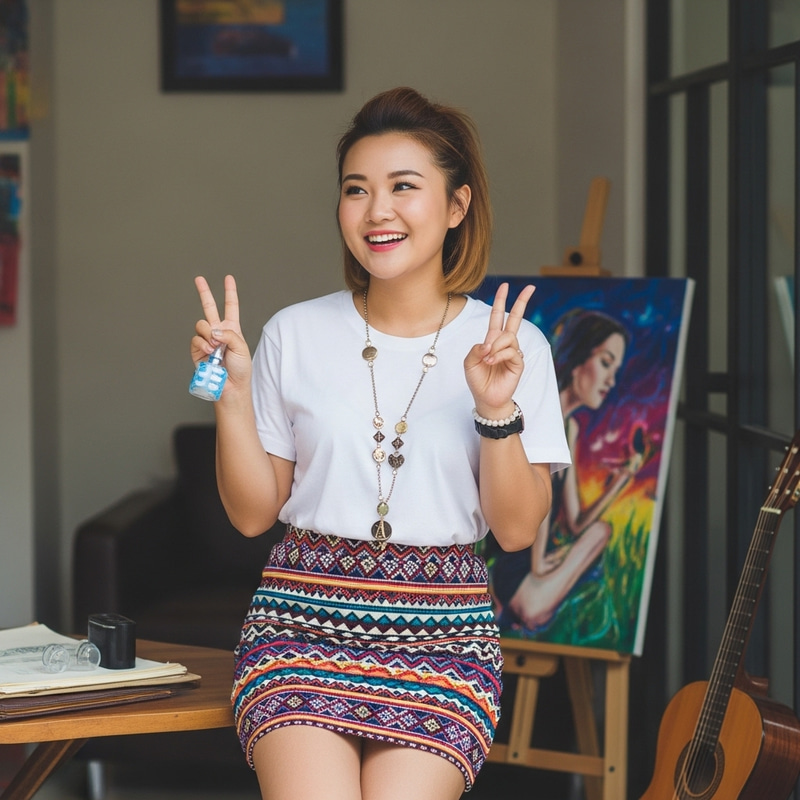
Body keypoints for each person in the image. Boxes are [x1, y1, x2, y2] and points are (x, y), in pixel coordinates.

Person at [190, 87, 570, 800]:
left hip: (445, 639)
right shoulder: (293, 334)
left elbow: (518, 531)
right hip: (300, 624)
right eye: (356, 190)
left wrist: (496, 410)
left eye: (404, 187)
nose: (377, 211)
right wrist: (231, 394)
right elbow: (250, 515)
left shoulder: (516, 348)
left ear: (456, 207)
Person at [493, 308, 649, 646]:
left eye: (616, 370)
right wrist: (550, 562)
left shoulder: (570, 427)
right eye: (606, 363)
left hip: (537, 573)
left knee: (600, 530)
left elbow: (577, 523)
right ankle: (522, 608)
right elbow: (537, 532)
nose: (611, 381)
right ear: (579, 356)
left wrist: (623, 479)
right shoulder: (532, 416)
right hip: (514, 574)